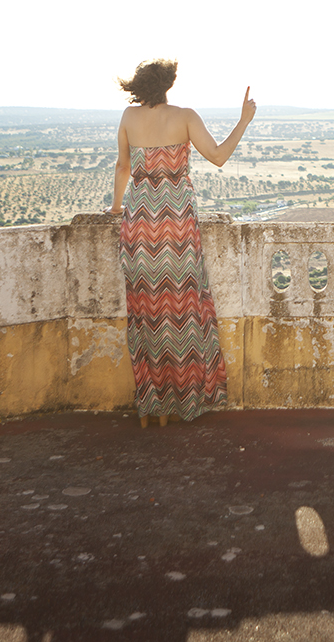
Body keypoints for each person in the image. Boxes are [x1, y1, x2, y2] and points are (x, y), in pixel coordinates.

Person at [107, 59, 256, 427]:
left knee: (147, 314)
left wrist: (114, 207)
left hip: (138, 225)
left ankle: (152, 405)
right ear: (169, 85)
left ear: (139, 88)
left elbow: (123, 168)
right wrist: (244, 120)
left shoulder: (128, 118)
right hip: (176, 224)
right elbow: (219, 157)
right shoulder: (186, 116)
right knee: (183, 311)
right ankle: (185, 397)